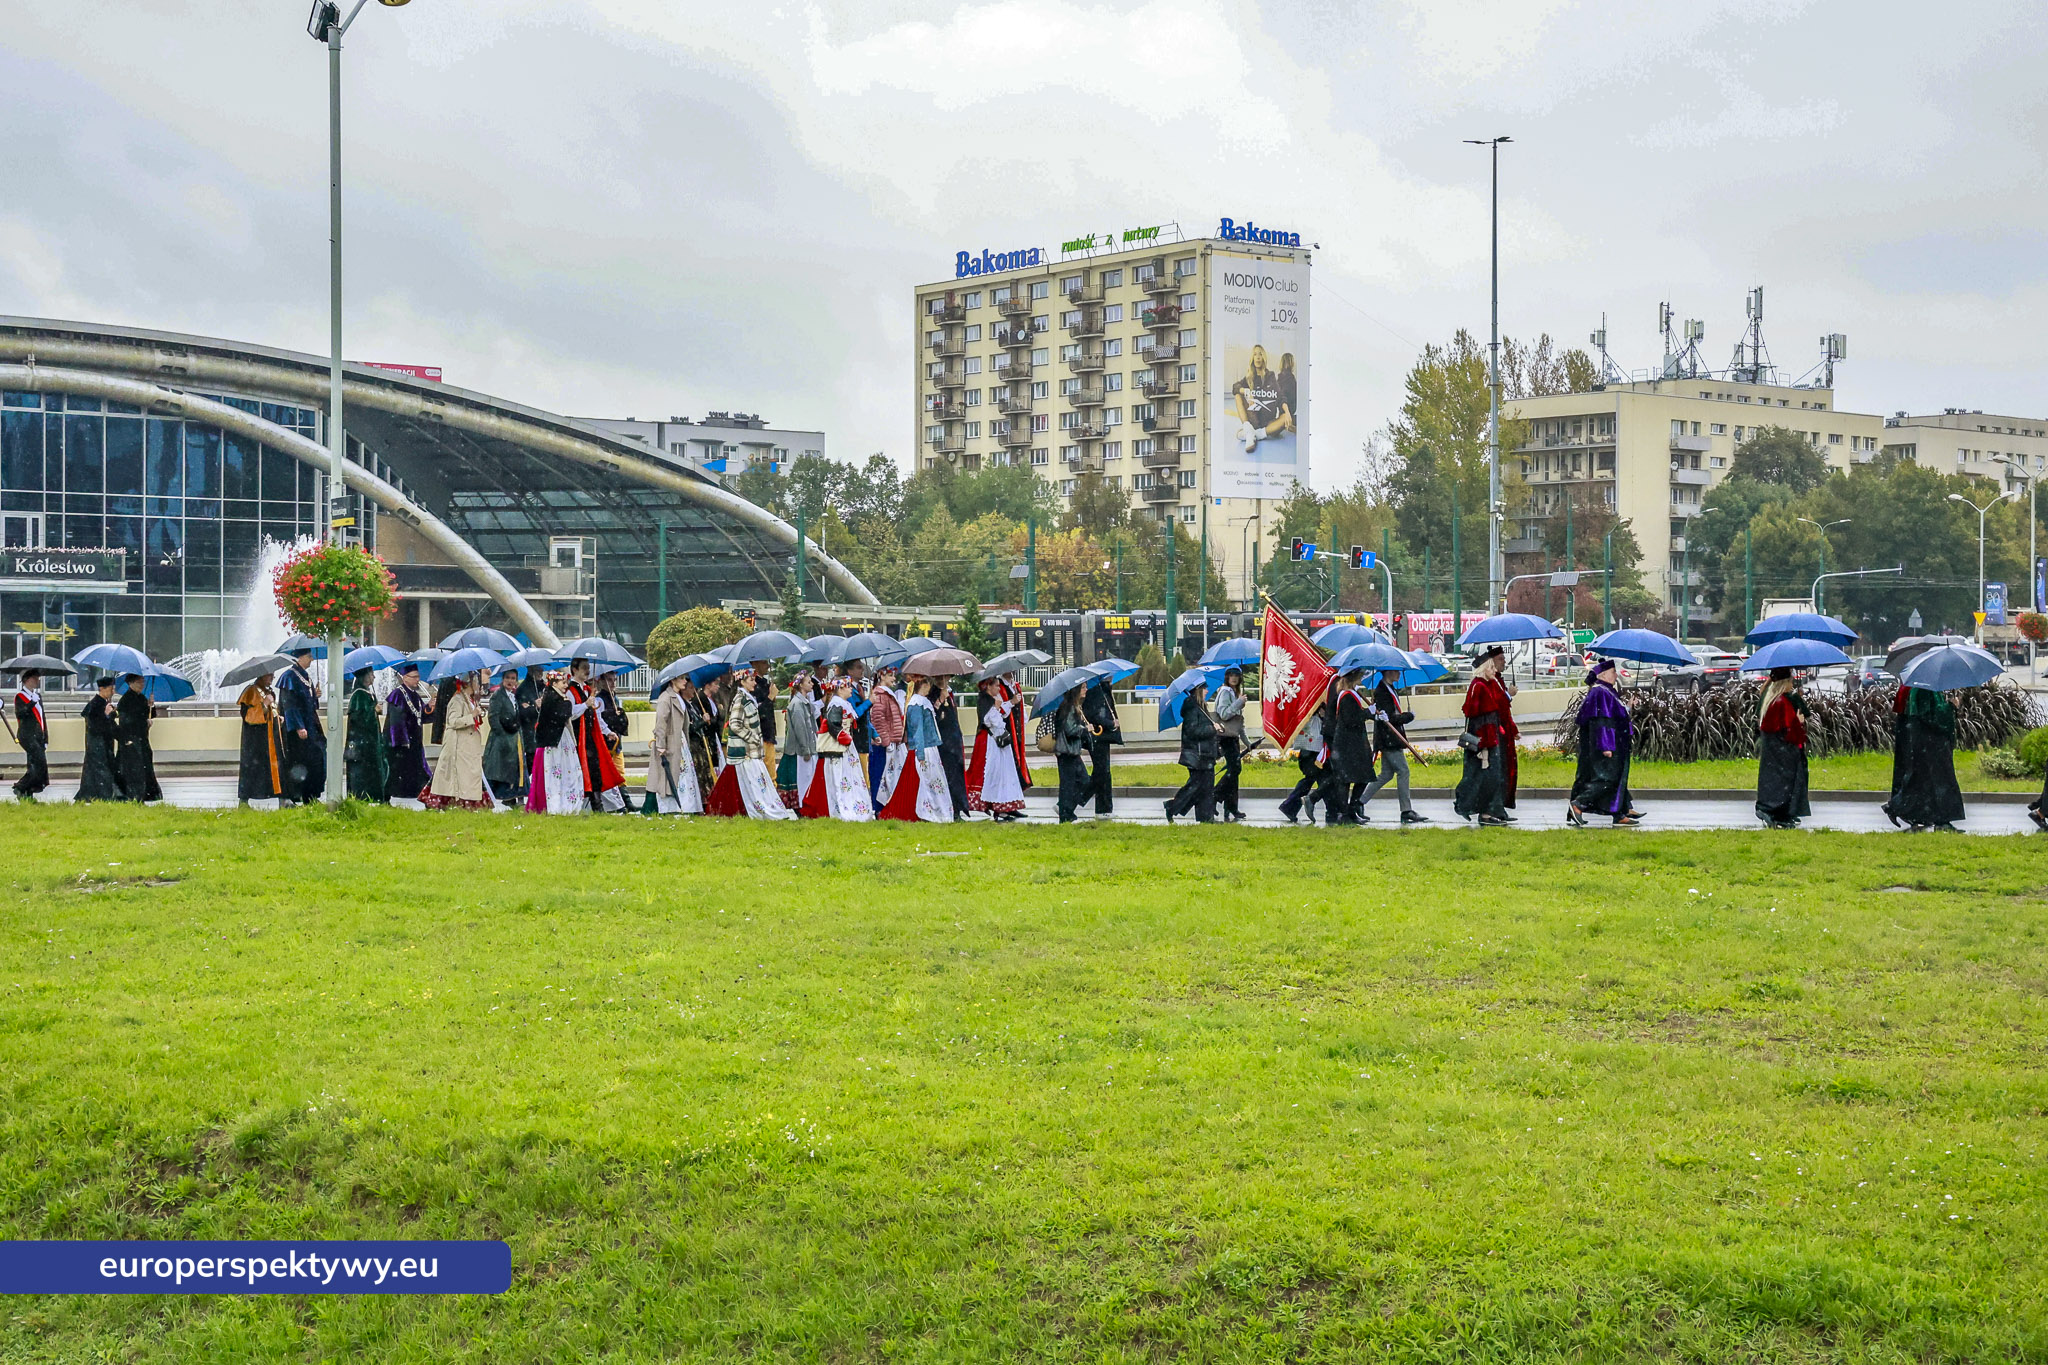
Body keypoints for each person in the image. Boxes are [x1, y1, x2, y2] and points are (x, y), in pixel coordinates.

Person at [704, 664, 796, 819]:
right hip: (745, 751)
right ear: (742, 682)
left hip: (751, 750)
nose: (754, 683)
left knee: (754, 780)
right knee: (751, 781)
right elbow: (734, 724)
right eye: (751, 680)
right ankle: (756, 808)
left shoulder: (747, 698)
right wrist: (752, 738)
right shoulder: (740, 699)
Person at [1883, 684, 1966, 832]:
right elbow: (1933, 716)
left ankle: (1938, 820)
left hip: (1924, 743)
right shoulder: (1924, 690)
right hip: (1931, 744)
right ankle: (1941, 821)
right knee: (1941, 781)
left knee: (1924, 783)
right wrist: (1951, 706)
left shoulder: (1921, 688)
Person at [1568, 659, 1639, 827]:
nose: (1617, 675)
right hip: (1607, 745)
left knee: (1614, 778)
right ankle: (1578, 804)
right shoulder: (1600, 692)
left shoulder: (1607, 691)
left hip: (1616, 743)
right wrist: (1606, 746)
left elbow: (1614, 715)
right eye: (1614, 672)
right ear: (1603, 674)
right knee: (1606, 779)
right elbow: (1601, 722)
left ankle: (1620, 812)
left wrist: (1628, 707)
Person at [1453, 646, 1517, 826]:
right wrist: (1486, 745)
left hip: (1490, 739)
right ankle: (1483, 811)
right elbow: (1479, 714)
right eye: (1491, 667)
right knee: (1486, 778)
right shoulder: (1479, 686)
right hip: (1485, 741)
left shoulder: (1486, 684)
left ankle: (1490, 810)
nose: (1494, 670)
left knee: (1490, 777)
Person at [880, 675, 954, 822]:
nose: (930, 688)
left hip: (929, 747)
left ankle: (936, 809)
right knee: (922, 781)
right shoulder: (916, 704)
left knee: (932, 781)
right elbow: (917, 729)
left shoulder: (922, 702)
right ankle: (925, 810)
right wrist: (920, 753)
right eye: (929, 684)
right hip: (923, 748)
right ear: (923, 685)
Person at [1359, 670, 1427, 824]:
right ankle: (1406, 810)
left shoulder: (1390, 689)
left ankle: (1359, 802)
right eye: (1396, 670)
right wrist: (1409, 716)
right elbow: (1390, 718)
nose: (1398, 673)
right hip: (1388, 739)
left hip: (1391, 738)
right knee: (1403, 771)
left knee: (1386, 775)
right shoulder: (1382, 691)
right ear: (1388, 672)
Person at [422, 675, 492, 810]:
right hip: (459, 746)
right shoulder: (457, 700)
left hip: (467, 746)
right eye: (476, 682)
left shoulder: (469, 700)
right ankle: (454, 804)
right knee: (457, 778)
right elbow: (452, 722)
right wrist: (472, 715)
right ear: (469, 684)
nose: (479, 685)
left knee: (467, 778)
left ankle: (469, 804)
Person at [566, 660, 628, 813]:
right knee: (580, 771)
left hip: (590, 737)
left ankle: (597, 806)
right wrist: (586, 704)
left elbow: (595, 717)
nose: (587, 671)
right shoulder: (570, 691)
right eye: (584, 668)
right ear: (574, 669)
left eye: (588, 668)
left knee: (595, 770)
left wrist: (607, 732)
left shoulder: (587, 690)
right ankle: (581, 805)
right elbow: (570, 714)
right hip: (577, 738)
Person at [1755, 666, 1811, 829]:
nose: (1792, 683)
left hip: (1773, 751)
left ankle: (1774, 810)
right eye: (1790, 680)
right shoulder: (1783, 702)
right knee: (1788, 779)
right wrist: (1798, 720)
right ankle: (1779, 811)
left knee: (1774, 779)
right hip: (1785, 751)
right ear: (1785, 682)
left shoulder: (1771, 699)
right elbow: (1790, 728)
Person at [966, 675, 1028, 821]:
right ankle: (997, 806)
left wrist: (1005, 704)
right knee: (994, 774)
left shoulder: (991, 701)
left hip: (997, 743)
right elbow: (992, 720)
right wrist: (998, 707)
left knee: (1002, 774)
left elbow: (1001, 713)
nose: (999, 689)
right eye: (996, 686)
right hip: (991, 743)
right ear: (988, 686)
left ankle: (1003, 807)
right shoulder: (986, 701)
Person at [526, 670, 587, 816]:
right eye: (563, 682)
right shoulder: (554, 698)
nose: (566, 685)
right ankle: (558, 803)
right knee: (556, 772)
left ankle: (564, 800)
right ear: (554, 683)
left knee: (564, 771)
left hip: (558, 739)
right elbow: (563, 716)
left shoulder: (553, 697)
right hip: (554, 742)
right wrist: (567, 703)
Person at [643, 674, 704, 816]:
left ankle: (685, 805)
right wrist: (660, 744)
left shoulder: (678, 697)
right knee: (668, 776)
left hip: (680, 741)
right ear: (672, 680)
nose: (685, 681)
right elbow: (661, 722)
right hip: (670, 743)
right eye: (682, 678)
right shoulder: (665, 698)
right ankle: (670, 807)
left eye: (686, 678)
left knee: (683, 774)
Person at [1321, 669, 1375, 826]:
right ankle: (1346, 813)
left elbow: (1354, 715)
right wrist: (1366, 713)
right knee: (1348, 779)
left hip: (1352, 743)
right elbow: (1351, 719)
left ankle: (1351, 810)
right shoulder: (1346, 696)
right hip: (1348, 744)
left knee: (1362, 776)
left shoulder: (1351, 694)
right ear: (1355, 677)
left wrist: (1370, 713)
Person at [1163, 677, 1219, 823]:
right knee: (1195, 786)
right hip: (1197, 755)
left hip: (1205, 754)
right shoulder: (1192, 707)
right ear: (1198, 690)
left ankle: (1205, 818)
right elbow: (1193, 731)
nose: (1207, 690)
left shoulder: (1200, 707)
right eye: (1205, 688)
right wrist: (1212, 728)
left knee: (1205, 788)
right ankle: (1173, 807)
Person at [275, 646, 325, 805]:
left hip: (310, 727)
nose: (312, 659)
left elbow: (308, 704)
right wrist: (298, 726)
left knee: (315, 760)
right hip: (299, 731)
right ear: (300, 658)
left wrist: (315, 696)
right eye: (309, 656)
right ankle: (297, 795)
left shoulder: (305, 676)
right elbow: (290, 705)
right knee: (300, 762)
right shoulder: (290, 677)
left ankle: (311, 794)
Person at [820, 677, 875, 821]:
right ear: (840, 689)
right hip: (840, 749)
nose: (851, 689)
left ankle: (854, 806)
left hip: (846, 748)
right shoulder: (837, 704)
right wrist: (844, 737)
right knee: (842, 778)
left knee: (850, 777)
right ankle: (845, 808)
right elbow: (832, 724)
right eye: (848, 686)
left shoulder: (841, 704)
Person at [384, 663, 433, 804]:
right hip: (403, 743)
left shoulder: (415, 696)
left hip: (415, 741)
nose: (417, 680)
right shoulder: (398, 695)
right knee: (402, 769)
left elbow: (420, 715)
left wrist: (429, 708)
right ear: (405, 678)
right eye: (414, 677)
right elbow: (396, 720)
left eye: (418, 677)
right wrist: (402, 740)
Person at [236, 670, 284, 805]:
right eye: (269, 675)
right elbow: (249, 716)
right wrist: (264, 704)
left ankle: (283, 799)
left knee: (275, 769)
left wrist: (277, 718)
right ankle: (244, 802)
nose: (272, 678)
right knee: (251, 769)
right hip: (255, 741)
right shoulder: (251, 691)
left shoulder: (269, 692)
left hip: (270, 740)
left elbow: (271, 713)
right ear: (262, 675)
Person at [784, 672, 828, 817]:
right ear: (801, 685)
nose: (812, 684)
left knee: (809, 776)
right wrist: (805, 749)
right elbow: (800, 728)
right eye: (809, 682)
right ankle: (803, 806)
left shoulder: (805, 702)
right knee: (804, 778)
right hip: (801, 750)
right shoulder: (797, 704)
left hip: (810, 746)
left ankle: (808, 804)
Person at [114, 673, 161, 803]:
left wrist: (151, 705)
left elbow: (149, 714)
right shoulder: (126, 700)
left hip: (142, 739)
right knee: (133, 768)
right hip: (131, 740)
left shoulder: (141, 698)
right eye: (139, 682)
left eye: (143, 682)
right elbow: (127, 722)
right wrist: (145, 723)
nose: (142, 685)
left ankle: (148, 792)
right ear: (131, 683)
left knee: (145, 764)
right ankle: (130, 792)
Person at [1276, 704, 1325, 825]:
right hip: (1312, 750)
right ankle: (1290, 806)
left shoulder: (1307, 708)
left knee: (1315, 779)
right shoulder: (1313, 709)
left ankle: (1290, 807)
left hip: (1309, 750)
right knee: (1318, 779)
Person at [344, 667, 387, 803]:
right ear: (364, 677)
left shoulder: (367, 694)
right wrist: (373, 710)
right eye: (371, 675)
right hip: (362, 745)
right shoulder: (359, 695)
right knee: (362, 774)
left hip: (370, 743)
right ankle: (362, 796)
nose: (374, 677)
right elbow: (358, 719)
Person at [868, 665, 908, 806]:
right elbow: (878, 719)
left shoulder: (886, 694)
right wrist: (885, 741)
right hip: (884, 745)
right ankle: (878, 807)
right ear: (882, 676)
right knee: (881, 777)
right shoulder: (880, 695)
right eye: (890, 675)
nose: (893, 678)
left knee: (889, 777)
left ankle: (886, 806)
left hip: (891, 742)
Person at [76, 677, 122, 802]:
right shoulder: (95, 705)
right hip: (97, 745)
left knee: (93, 773)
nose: (113, 692)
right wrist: (106, 715)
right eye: (111, 689)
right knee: (101, 772)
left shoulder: (104, 704)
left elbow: (109, 726)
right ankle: (105, 796)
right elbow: (95, 727)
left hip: (103, 744)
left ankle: (88, 795)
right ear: (102, 689)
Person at [1081, 674, 1122, 815]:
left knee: (1104, 773)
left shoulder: (1103, 689)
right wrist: (1111, 723)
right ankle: (1077, 800)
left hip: (1103, 736)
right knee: (1101, 772)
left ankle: (1104, 809)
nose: (1113, 676)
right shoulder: (1096, 691)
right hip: (1098, 736)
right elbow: (1093, 714)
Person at [1212, 666, 1248, 822]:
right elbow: (1224, 714)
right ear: (1226, 677)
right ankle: (1214, 797)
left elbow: (1238, 723)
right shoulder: (1225, 691)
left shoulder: (1234, 693)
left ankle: (1231, 807)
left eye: (1237, 675)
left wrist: (1247, 742)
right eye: (1231, 675)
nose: (1234, 678)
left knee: (1234, 774)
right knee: (1234, 769)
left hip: (1233, 737)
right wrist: (1238, 703)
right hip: (1226, 737)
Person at [931, 675, 971, 817]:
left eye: (945, 678)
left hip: (955, 740)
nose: (942, 680)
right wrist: (941, 700)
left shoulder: (950, 692)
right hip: (944, 742)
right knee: (948, 776)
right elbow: (933, 715)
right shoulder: (933, 693)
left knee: (957, 775)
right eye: (939, 678)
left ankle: (959, 807)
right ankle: (951, 809)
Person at [484, 673, 524, 806]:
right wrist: (502, 735)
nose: (510, 681)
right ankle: (489, 797)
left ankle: (510, 797)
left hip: (513, 738)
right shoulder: (497, 696)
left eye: (513, 679)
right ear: (502, 679)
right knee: (495, 769)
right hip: (499, 739)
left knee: (511, 769)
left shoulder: (513, 696)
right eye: (507, 678)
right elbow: (493, 718)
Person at [10, 667, 49, 800]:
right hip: (27, 735)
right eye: (34, 678)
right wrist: (31, 704)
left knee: (33, 763)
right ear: (26, 680)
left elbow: (42, 719)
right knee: (39, 763)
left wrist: (45, 737)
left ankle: (28, 793)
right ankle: (20, 786)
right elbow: (20, 714)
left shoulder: (38, 696)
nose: (37, 681)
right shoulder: (20, 696)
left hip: (38, 735)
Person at [1053, 688, 1091, 824]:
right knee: (1070, 784)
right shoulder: (1068, 708)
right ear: (1076, 691)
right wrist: (1085, 729)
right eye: (1083, 687)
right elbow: (1070, 730)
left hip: (1071, 751)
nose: (1086, 689)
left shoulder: (1073, 707)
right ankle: (1065, 812)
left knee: (1081, 782)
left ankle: (1065, 810)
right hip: (1067, 752)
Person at [514, 666, 543, 798]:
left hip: (539, 731)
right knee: (529, 764)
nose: (540, 673)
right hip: (529, 733)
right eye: (538, 670)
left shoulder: (542, 687)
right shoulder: (523, 689)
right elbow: (521, 712)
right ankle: (519, 792)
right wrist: (534, 706)